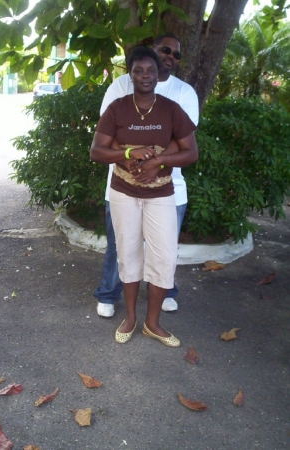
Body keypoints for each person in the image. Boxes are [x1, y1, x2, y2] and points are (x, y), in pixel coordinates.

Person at [90, 46, 198, 346]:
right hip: (123, 193)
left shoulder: (170, 108)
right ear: (130, 74)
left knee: (163, 255)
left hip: (161, 194)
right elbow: (97, 151)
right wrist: (127, 152)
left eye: (150, 70)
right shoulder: (118, 107)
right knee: (128, 253)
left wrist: (157, 162)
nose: (145, 75)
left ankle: (152, 323)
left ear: (158, 73)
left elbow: (191, 152)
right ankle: (130, 318)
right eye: (138, 70)